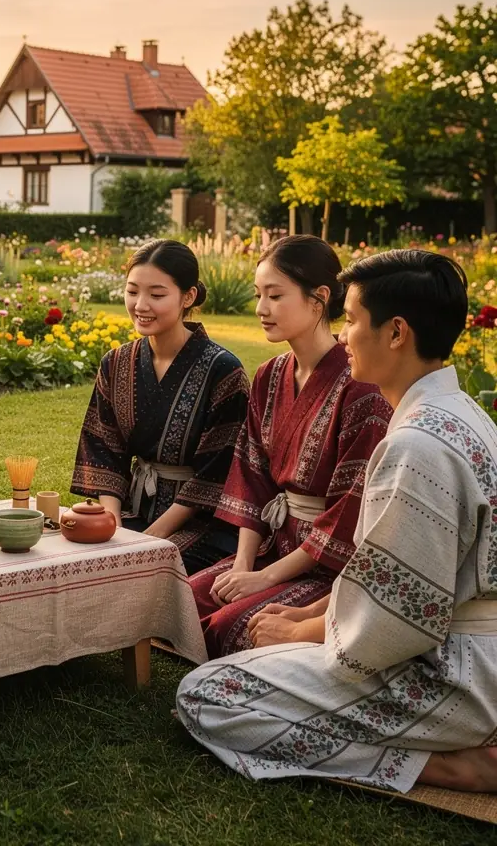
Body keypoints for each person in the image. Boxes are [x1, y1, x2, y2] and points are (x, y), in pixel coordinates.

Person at [177, 248, 497, 794]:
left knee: (206, 696)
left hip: (447, 679)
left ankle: (446, 766)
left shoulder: (418, 446)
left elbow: (392, 623)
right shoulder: (465, 416)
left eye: (351, 320)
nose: (344, 336)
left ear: (396, 332)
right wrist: (311, 615)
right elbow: (389, 574)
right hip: (464, 656)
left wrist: (299, 629)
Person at [188, 235, 392, 657]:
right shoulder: (268, 374)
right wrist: (245, 565)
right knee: (182, 599)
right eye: (258, 294)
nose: (261, 308)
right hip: (272, 545)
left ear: (319, 299)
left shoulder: (362, 388)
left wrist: (266, 579)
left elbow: (347, 512)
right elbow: (251, 476)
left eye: (275, 295)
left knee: (236, 625)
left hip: (325, 565)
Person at [70, 240, 250, 574]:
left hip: (202, 523)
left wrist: (152, 537)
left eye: (156, 295)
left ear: (188, 297)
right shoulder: (116, 363)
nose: (140, 305)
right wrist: (112, 524)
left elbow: (217, 471)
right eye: (132, 291)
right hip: (132, 513)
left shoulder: (223, 370)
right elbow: (103, 450)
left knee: (139, 571)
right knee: (76, 561)